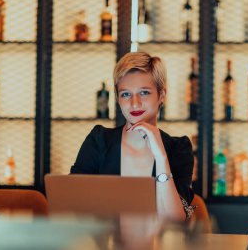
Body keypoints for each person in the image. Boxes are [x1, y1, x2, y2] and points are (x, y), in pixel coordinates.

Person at [70, 52, 195, 221]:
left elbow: (175, 219)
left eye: (144, 92)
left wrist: (161, 157)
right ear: (117, 98)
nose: (134, 103)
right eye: (126, 94)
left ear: (161, 95)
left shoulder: (179, 148)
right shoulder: (99, 140)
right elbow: (71, 203)